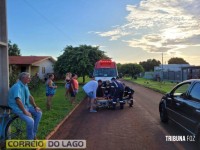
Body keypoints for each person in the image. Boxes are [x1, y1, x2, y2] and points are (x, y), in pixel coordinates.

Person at [8, 72, 42, 140]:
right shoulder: (17, 86)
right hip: (17, 108)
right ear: (23, 78)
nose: (30, 79)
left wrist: (35, 106)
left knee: (38, 113)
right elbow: (18, 100)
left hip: (25, 106)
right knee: (30, 121)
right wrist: (25, 112)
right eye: (28, 77)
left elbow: (30, 96)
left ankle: (33, 134)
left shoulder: (25, 85)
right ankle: (30, 140)